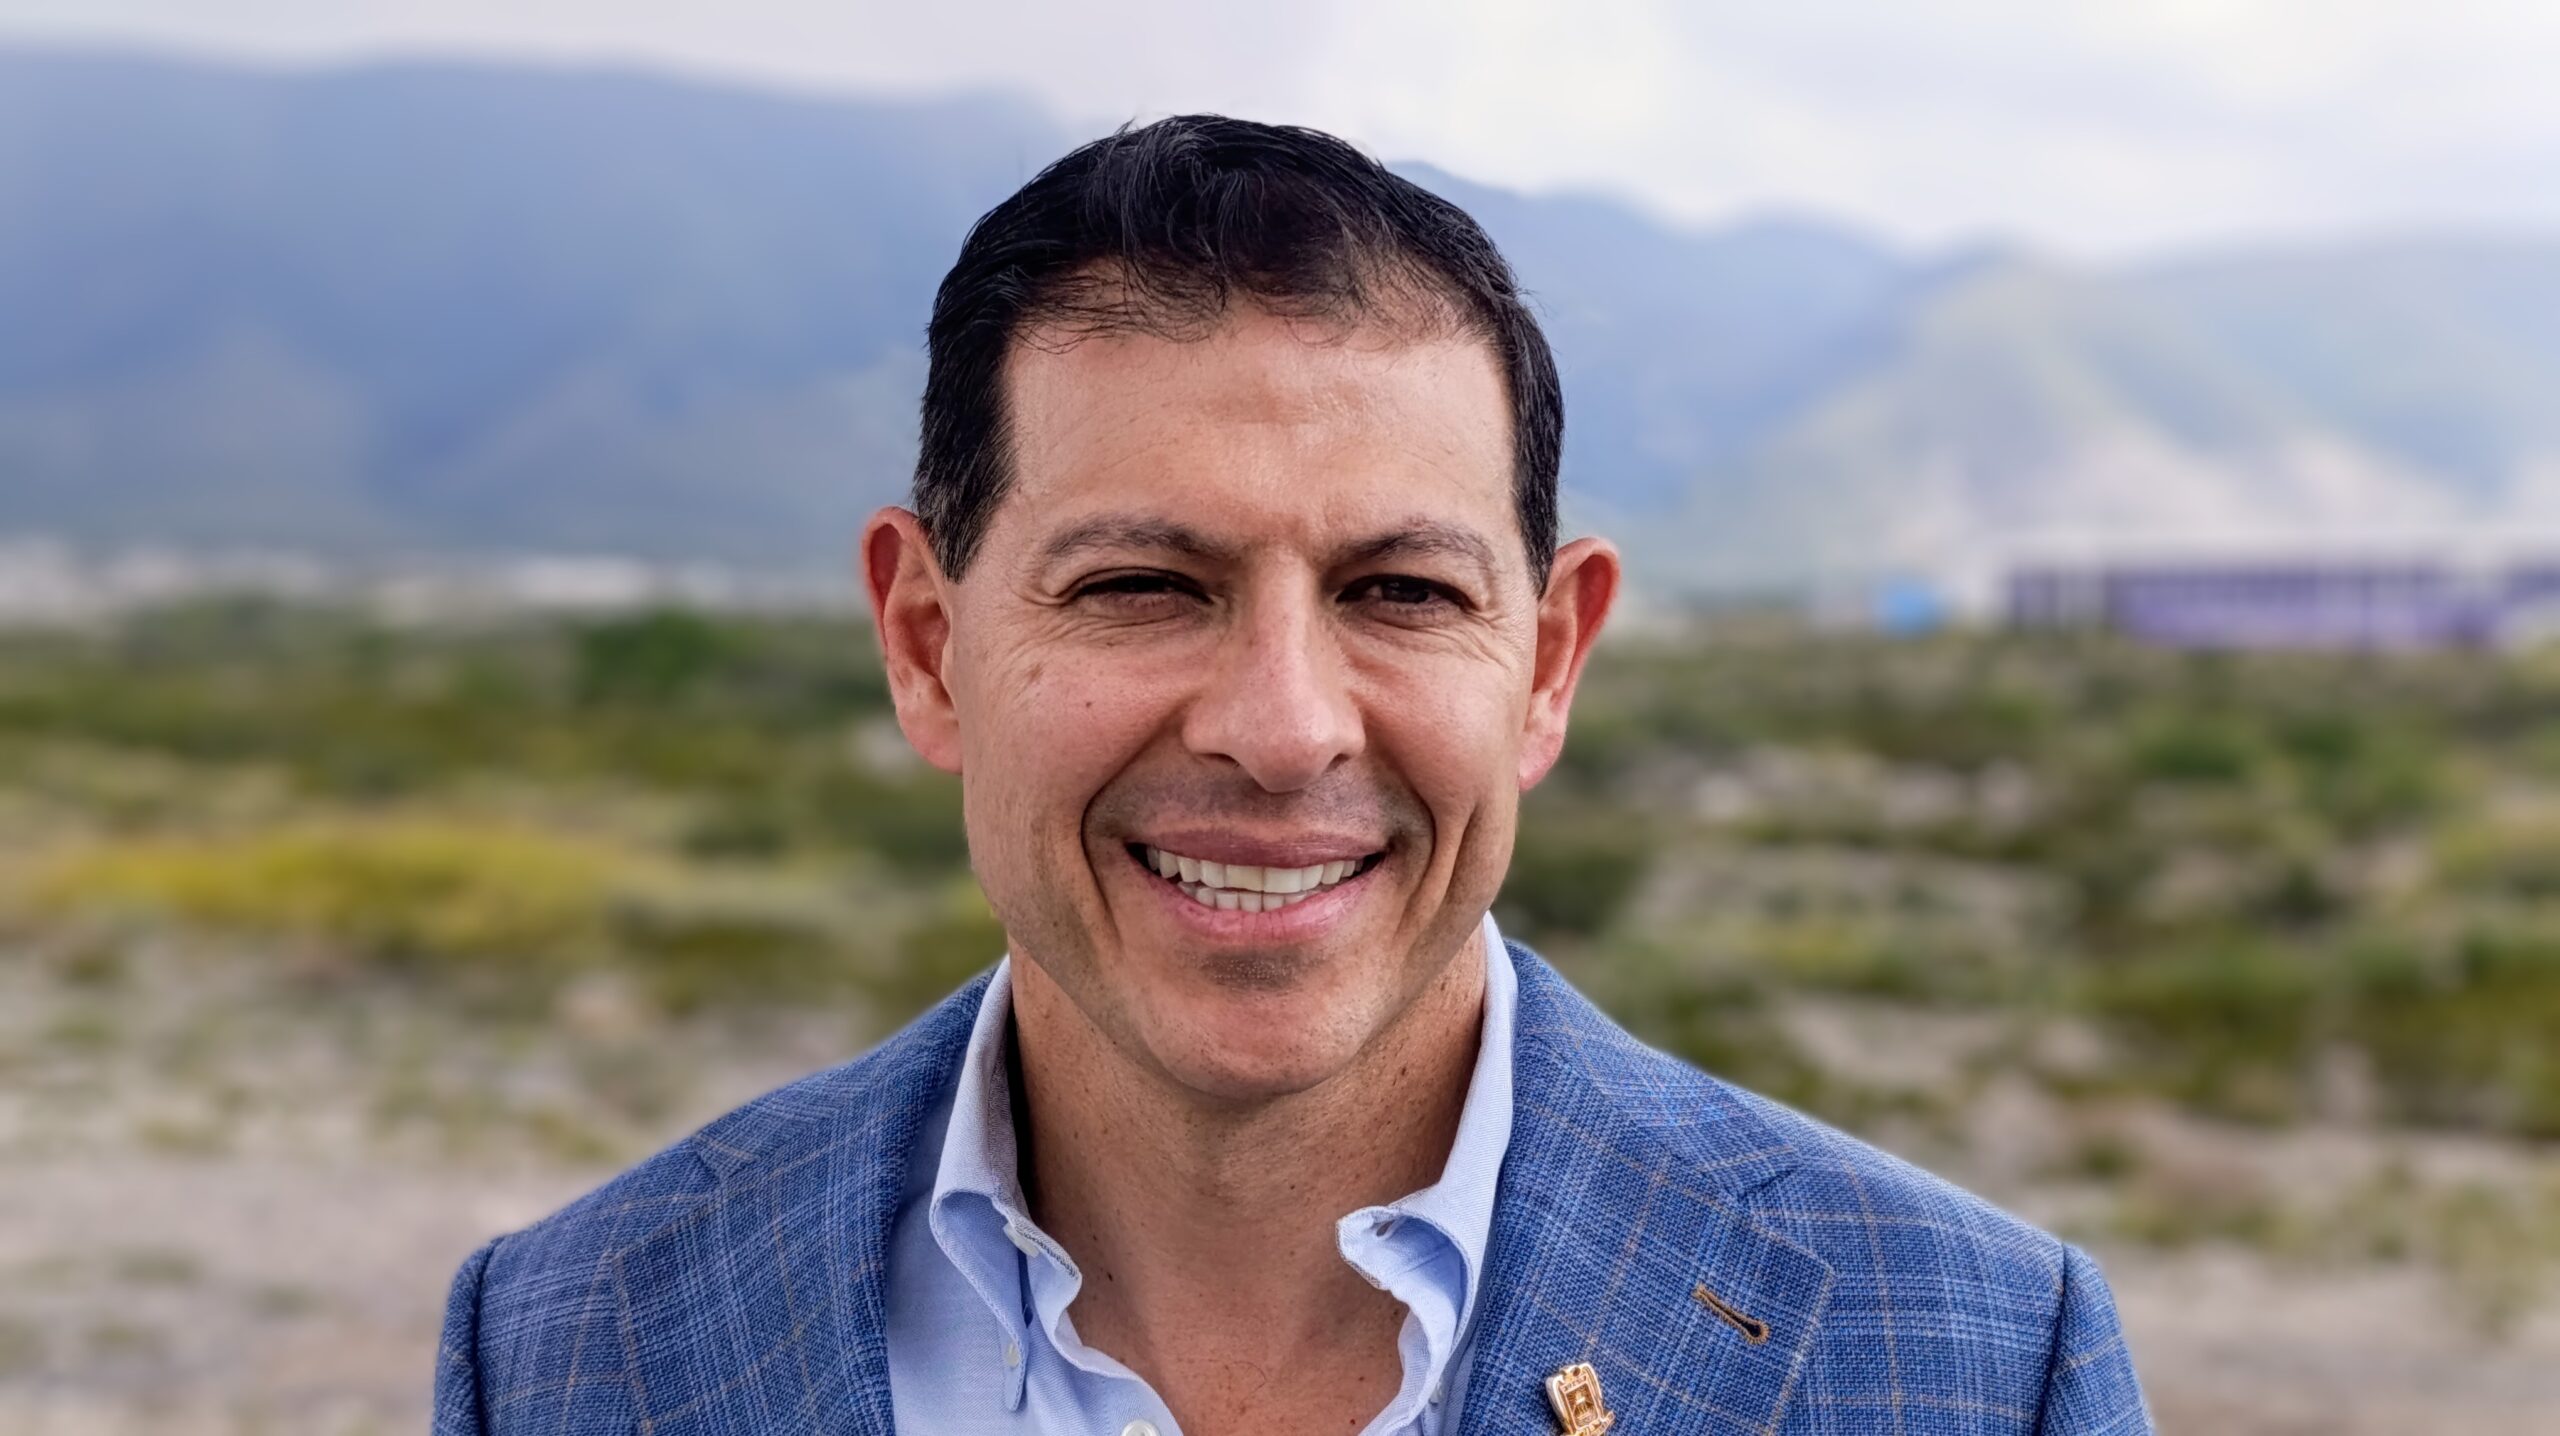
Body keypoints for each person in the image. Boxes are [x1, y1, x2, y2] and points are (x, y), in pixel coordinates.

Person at [432, 115, 2151, 1436]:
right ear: (926, 640)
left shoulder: (1978, 1364)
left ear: (1549, 662)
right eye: (1142, 586)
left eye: (1399, 593)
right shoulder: (574, 1346)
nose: (1284, 726)